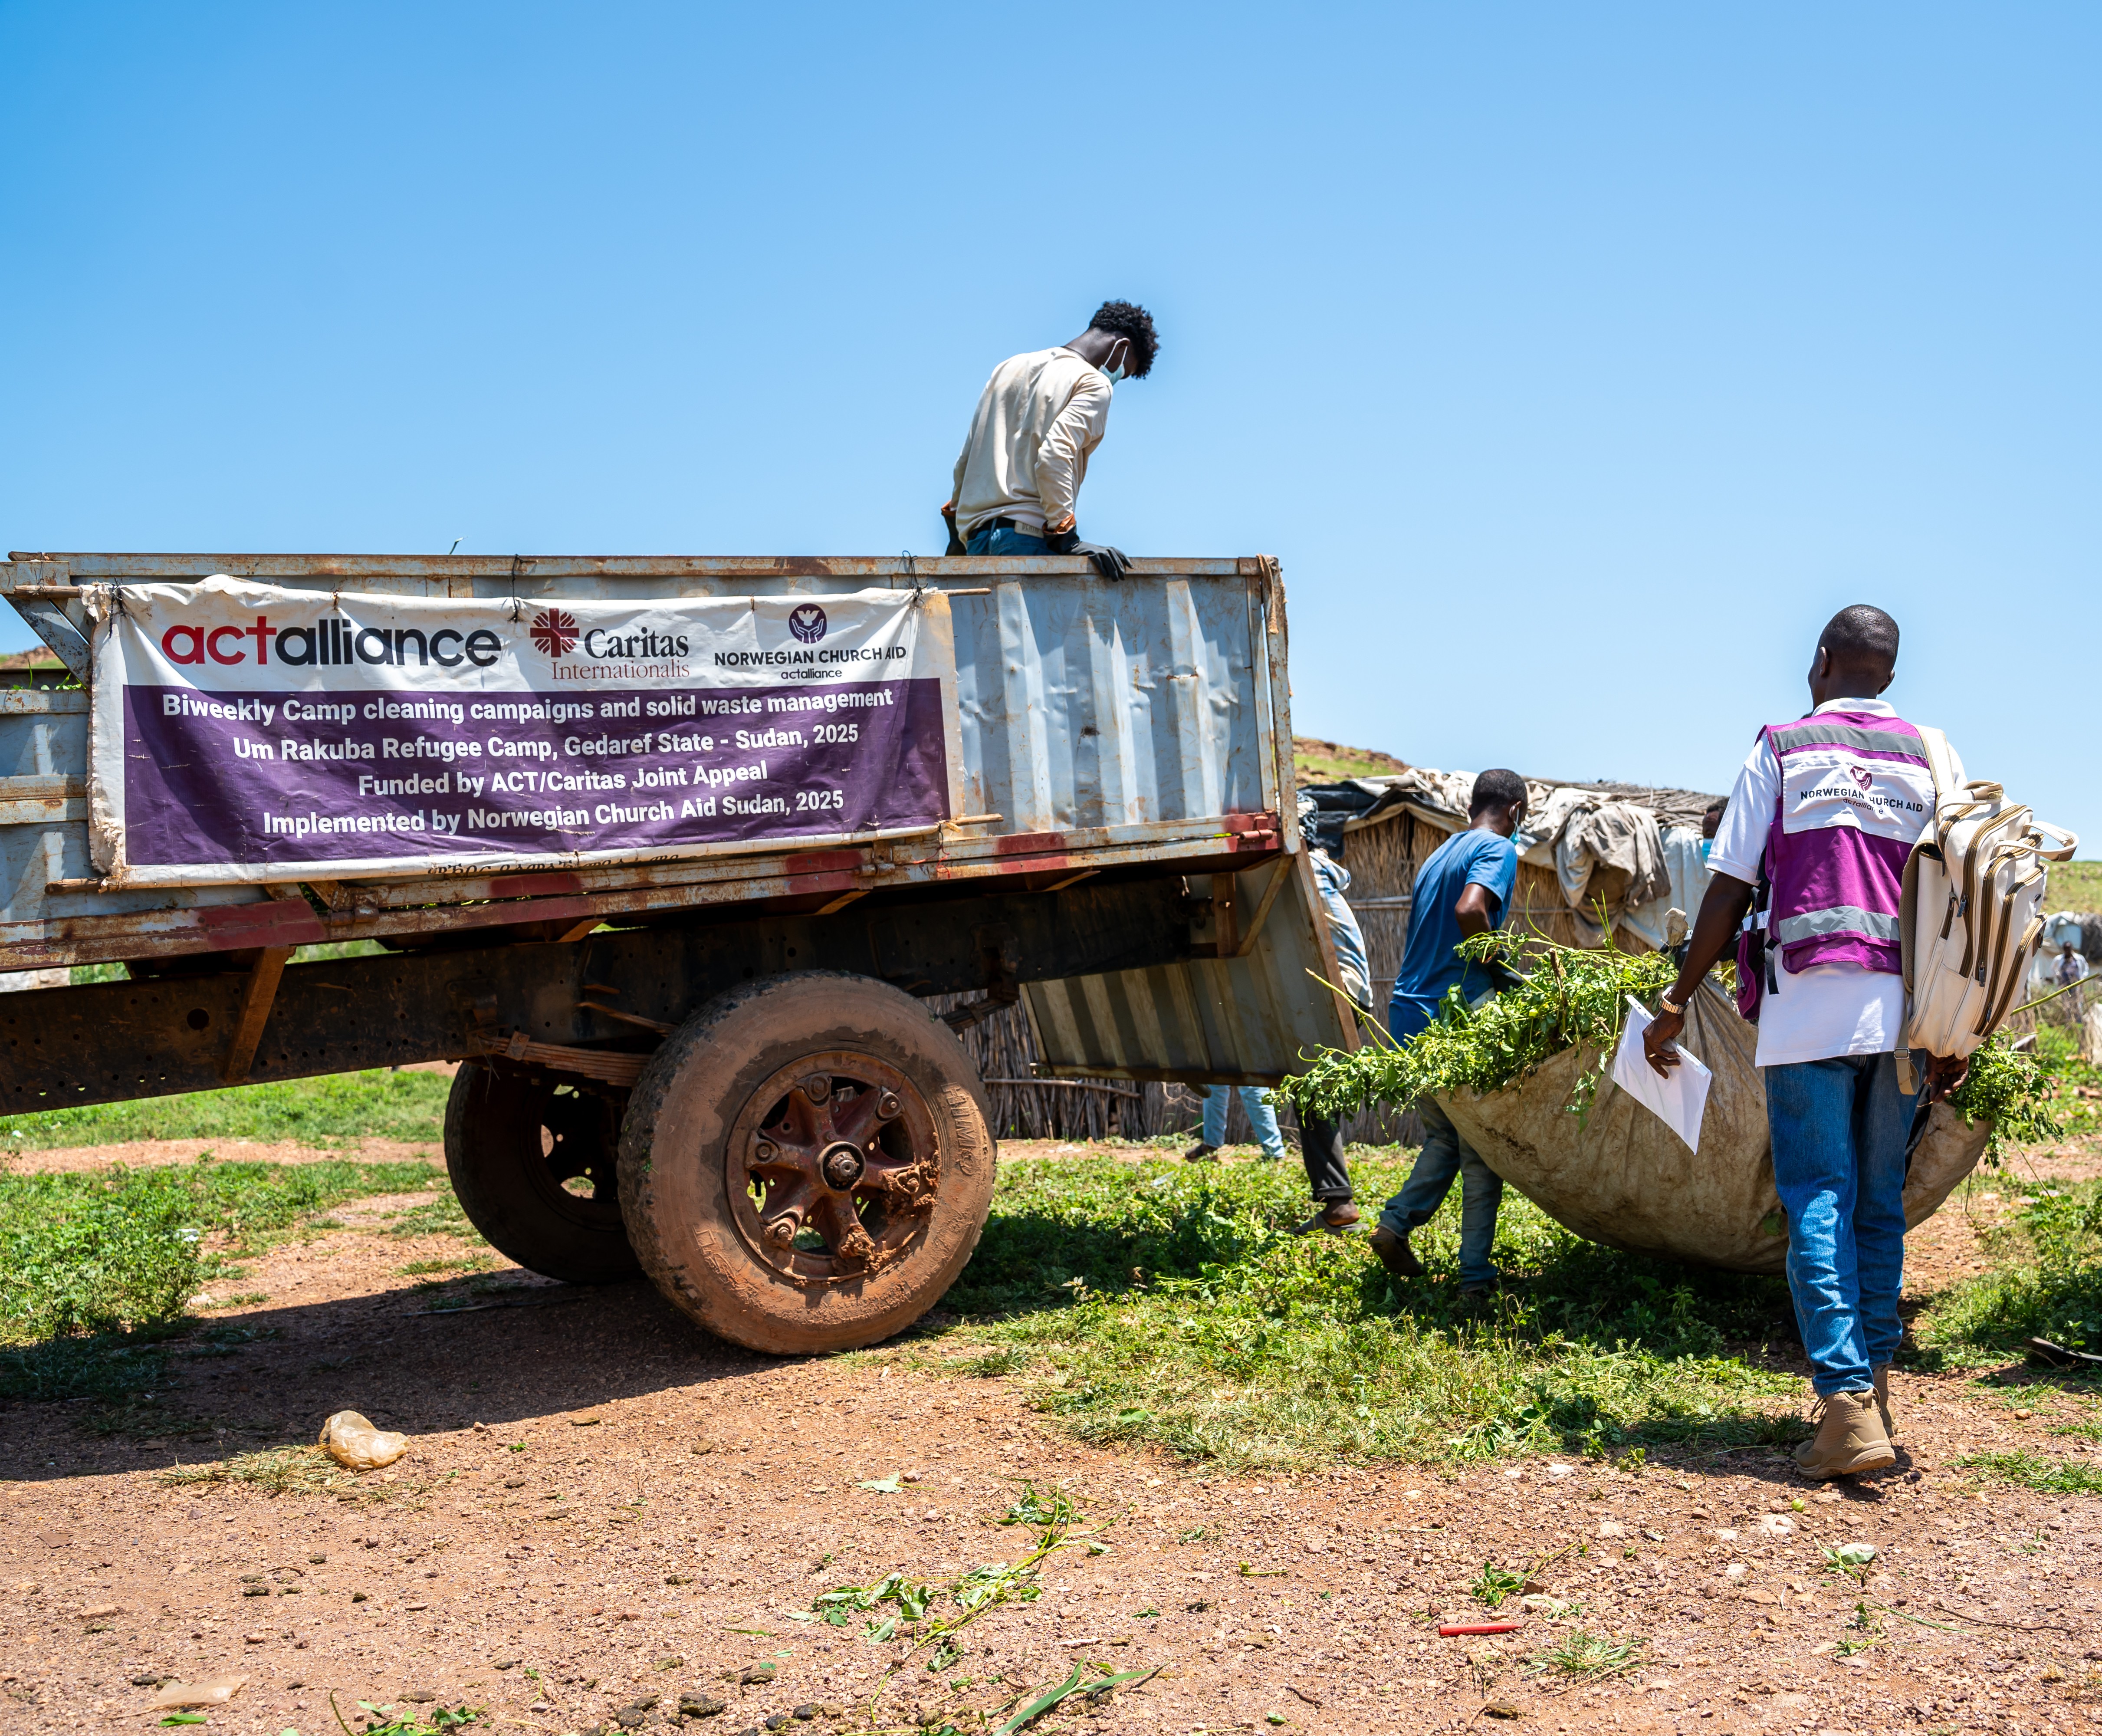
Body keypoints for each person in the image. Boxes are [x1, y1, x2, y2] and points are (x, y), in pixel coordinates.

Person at [1643, 604, 1964, 1480]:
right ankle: (1877, 1391)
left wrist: (1676, 997)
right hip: (1905, 1017)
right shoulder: (1933, 756)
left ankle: (1847, 1410)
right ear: (1888, 676)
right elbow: (1965, 899)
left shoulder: (1781, 748)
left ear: (1821, 661)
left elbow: (1728, 887)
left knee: (1817, 1198)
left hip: (1807, 1011)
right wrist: (1957, 1026)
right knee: (1877, 1203)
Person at [1366, 769, 1530, 1297]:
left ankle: (1394, 1225)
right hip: (1453, 1012)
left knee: (1446, 1135)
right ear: (1515, 811)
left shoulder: (1440, 854)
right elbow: (1469, 910)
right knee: (1482, 1147)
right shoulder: (1497, 848)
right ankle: (1475, 1281)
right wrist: (1496, 964)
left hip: (1408, 1011)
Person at [941, 301, 1159, 581]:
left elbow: (967, 458)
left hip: (977, 542)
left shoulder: (1010, 367)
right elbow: (1055, 454)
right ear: (1122, 347)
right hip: (1029, 541)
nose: (1115, 379)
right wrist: (1066, 536)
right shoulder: (1093, 383)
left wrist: (956, 536)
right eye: (1123, 372)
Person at [2054, 940, 2088, 1017]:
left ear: (2072, 948)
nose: (2067, 950)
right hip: (2064, 986)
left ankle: (2078, 1020)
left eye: (2069, 948)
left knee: (2077, 1002)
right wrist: (2058, 976)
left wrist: (2083, 977)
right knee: (2066, 1003)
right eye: (2065, 948)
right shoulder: (2059, 959)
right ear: (2063, 949)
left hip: (2076, 985)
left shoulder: (2079, 958)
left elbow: (2086, 967)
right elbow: (2053, 969)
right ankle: (2068, 1020)